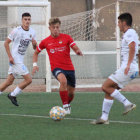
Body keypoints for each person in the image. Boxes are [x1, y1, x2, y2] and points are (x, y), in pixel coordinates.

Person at [91, 13, 139, 124]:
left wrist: (128, 64)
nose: (118, 25)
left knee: (105, 86)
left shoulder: (129, 33)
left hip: (129, 67)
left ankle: (127, 103)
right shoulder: (133, 33)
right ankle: (104, 118)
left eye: (118, 22)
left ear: (124, 23)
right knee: (110, 90)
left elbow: (132, 48)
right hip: (132, 68)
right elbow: (138, 50)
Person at [32, 17, 83, 115]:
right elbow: (35, 53)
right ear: (49, 28)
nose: (55, 29)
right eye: (53, 27)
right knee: (63, 81)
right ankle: (65, 106)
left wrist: (77, 51)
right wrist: (35, 65)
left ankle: (67, 104)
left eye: (57, 27)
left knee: (71, 93)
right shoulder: (45, 41)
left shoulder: (67, 37)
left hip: (69, 67)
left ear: (60, 27)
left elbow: (75, 47)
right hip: (56, 67)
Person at [0, 13, 37, 106]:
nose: (27, 21)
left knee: (9, 81)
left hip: (20, 59)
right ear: (22, 20)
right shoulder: (16, 31)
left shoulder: (32, 32)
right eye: (25, 19)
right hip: (15, 59)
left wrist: (34, 44)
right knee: (29, 80)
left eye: (29, 19)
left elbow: (34, 48)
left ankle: (12, 94)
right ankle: (13, 95)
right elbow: (6, 43)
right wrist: (10, 57)